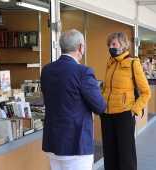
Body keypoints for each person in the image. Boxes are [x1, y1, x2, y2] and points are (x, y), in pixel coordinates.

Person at [41, 29, 106, 170]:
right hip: (76, 142)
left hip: (52, 140)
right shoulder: (83, 72)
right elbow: (100, 107)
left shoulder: (46, 70)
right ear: (80, 47)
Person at [100, 32, 151, 170]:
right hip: (106, 115)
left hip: (124, 115)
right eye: (109, 45)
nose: (111, 47)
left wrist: (133, 111)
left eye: (114, 44)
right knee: (110, 155)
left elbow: (146, 92)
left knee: (126, 155)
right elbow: (105, 88)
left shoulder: (132, 63)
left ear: (122, 46)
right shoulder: (110, 62)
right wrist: (100, 105)